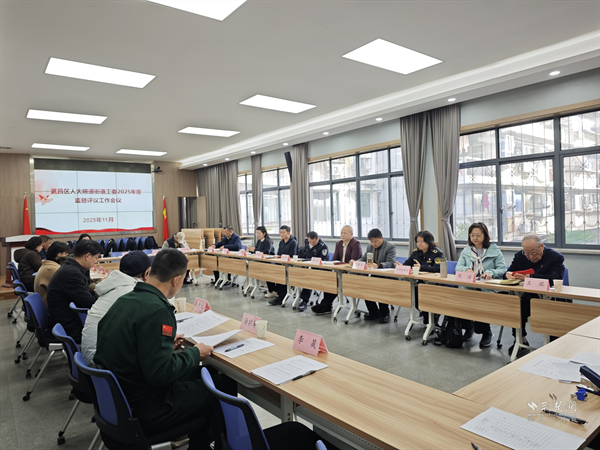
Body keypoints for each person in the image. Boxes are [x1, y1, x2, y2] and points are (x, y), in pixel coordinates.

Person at [94, 249, 237, 450]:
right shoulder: (157, 309)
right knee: (222, 385)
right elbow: (160, 374)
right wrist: (195, 353)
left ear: (150, 272)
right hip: (148, 407)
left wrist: (166, 345)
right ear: (176, 280)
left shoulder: (124, 300)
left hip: (122, 398)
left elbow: (133, 345)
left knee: (209, 373)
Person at [81, 251, 152, 364]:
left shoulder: (112, 286)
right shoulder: (134, 293)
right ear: (146, 273)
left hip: (90, 357)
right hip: (102, 363)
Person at [505, 234, 565, 355]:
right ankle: (520, 340)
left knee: (555, 310)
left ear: (541, 247)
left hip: (551, 298)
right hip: (527, 296)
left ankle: (554, 343)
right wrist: (508, 275)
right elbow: (508, 272)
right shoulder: (519, 256)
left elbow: (555, 278)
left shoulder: (555, 257)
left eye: (534, 252)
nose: (530, 256)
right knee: (515, 306)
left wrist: (530, 277)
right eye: (527, 253)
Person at [455, 222, 506, 348]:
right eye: (472, 235)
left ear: (485, 235)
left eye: (478, 235)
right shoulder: (467, 250)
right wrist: (466, 269)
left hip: (487, 287)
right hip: (468, 285)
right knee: (461, 299)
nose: (475, 238)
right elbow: (458, 267)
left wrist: (491, 273)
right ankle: (468, 327)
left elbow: (502, 269)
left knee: (479, 301)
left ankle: (486, 332)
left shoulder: (494, 250)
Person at [47, 240, 102, 342]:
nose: (96, 261)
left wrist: (94, 291)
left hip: (66, 318)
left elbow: (82, 293)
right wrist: (107, 299)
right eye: (96, 258)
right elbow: (88, 302)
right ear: (87, 256)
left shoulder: (71, 268)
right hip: (69, 326)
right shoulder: (72, 273)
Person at [312, 225, 362, 315]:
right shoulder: (338, 244)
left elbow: (353, 261)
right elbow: (334, 259)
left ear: (351, 234)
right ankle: (326, 306)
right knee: (329, 279)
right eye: (341, 233)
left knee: (336, 282)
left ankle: (325, 305)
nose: (342, 235)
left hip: (352, 274)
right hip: (340, 271)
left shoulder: (356, 244)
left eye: (345, 233)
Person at [349, 228, 396, 323]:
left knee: (380, 287)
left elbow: (391, 263)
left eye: (376, 241)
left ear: (381, 238)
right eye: (371, 241)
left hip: (386, 276)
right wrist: (355, 262)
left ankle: (384, 313)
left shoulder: (390, 247)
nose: (373, 243)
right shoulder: (370, 246)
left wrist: (379, 265)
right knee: (366, 286)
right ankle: (373, 312)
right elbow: (364, 258)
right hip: (373, 274)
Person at [401, 230, 444, 324]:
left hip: (434, 284)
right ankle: (426, 315)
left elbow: (438, 268)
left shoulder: (437, 253)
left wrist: (422, 267)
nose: (419, 244)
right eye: (418, 241)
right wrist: (401, 266)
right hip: (420, 282)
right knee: (414, 294)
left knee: (424, 294)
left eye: (422, 241)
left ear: (429, 241)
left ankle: (433, 319)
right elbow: (408, 263)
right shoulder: (416, 252)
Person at [295, 231, 329, 312]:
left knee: (309, 278)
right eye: (310, 241)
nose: (312, 243)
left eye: (314, 242)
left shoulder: (323, 246)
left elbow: (323, 261)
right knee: (296, 274)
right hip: (307, 267)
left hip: (319, 269)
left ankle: (304, 301)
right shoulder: (307, 241)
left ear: (318, 239)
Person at [267, 225, 298, 306]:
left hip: (290, 266)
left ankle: (281, 297)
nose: (281, 234)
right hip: (281, 264)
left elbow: (292, 256)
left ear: (288, 233)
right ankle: (278, 295)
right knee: (272, 270)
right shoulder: (281, 242)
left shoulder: (293, 242)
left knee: (281, 274)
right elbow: (279, 254)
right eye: (280, 233)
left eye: (283, 232)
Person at [34, 241, 70, 305]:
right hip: (50, 305)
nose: (67, 256)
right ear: (58, 254)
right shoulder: (51, 269)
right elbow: (67, 288)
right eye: (66, 253)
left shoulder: (48, 265)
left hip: (48, 302)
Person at [247, 226, 277, 298]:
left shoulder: (268, 241)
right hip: (260, 261)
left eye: (259, 233)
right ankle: (253, 286)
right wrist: (251, 250)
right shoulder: (259, 241)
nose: (258, 235)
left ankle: (272, 290)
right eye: (256, 233)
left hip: (268, 262)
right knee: (250, 268)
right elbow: (257, 251)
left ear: (264, 233)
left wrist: (255, 250)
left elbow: (266, 252)